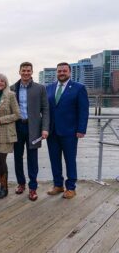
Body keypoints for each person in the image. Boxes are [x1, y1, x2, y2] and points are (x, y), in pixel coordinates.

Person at [46, 62, 89, 199]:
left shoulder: (79, 88)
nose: (62, 73)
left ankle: (71, 187)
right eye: (59, 71)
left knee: (70, 160)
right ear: (56, 73)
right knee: (54, 160)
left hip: (70, 132)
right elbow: (45, 110)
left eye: (64, 71)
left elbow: (83, 110)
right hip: (52, 131)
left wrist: (81, 129)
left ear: (69, 72)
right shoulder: (49, 88)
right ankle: (58, 185)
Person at [10, 62, 49, 201]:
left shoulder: (40, 88)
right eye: (23, 70)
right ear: (19, 71)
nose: (26, 73)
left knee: (33, 158)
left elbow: (45, 109)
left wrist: (45, 128)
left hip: (34, 128)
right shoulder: (12, 89)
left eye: (28, 71)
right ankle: (21, 183)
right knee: (17, 157)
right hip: (17, 127)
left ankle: (33, 187)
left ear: (32, 72)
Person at [0, 74, 20, 199]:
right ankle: (1, 185)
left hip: (6, 133)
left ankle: (5, 188)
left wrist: (0, 120)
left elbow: (17, 114)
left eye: (2, 81)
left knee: (0, 160)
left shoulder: (11, 95)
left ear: (6, 83)